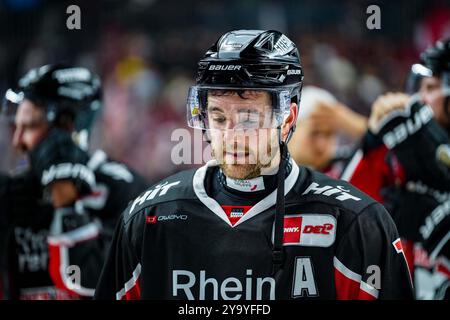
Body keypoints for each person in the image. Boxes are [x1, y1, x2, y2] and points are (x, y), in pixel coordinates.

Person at [95, 30, 413, 300]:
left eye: (248, 119)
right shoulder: (149, 219)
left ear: (287, 119)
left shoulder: (357, 223)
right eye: (219, 117)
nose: (232, 137)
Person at [0, 64, 148, 299]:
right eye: (16, 127)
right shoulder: (14, 190)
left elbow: (95, 282)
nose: (18, 141)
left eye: (29, 126)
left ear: (68, 126)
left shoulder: (124, 187)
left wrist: (65, 197)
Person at [340, 39, 450, 299]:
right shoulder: (402, 157)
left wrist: (437, 222)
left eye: (432, 88)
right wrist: (373, 142)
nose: (421, 99)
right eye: (420, 88)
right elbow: (350, 208)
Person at [288, 85, 367, 177]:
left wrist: (353, 123)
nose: (321, 146)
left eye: (329, 135)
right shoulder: (270, 174)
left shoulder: (344, 175)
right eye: (315, 133)